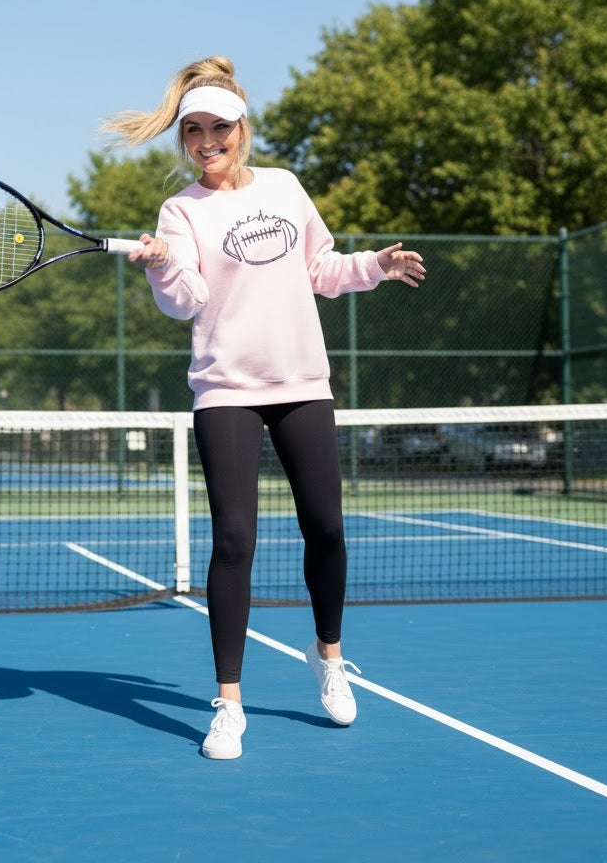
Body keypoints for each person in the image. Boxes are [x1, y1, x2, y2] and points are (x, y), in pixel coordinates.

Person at [102, 56, 425, 760]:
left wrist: (376, 264)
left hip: (302, 385)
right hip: (226, 393)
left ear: (240, 128)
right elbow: (185, 300)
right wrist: (160, 262)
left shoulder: (283, 188)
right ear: (183, 137)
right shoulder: (179, 210)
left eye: (218, 126)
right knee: (233, 542)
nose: (205, 140)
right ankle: (227, 705)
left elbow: (323, 268)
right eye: (192, 130)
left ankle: (327, 657)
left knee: (328, 529)